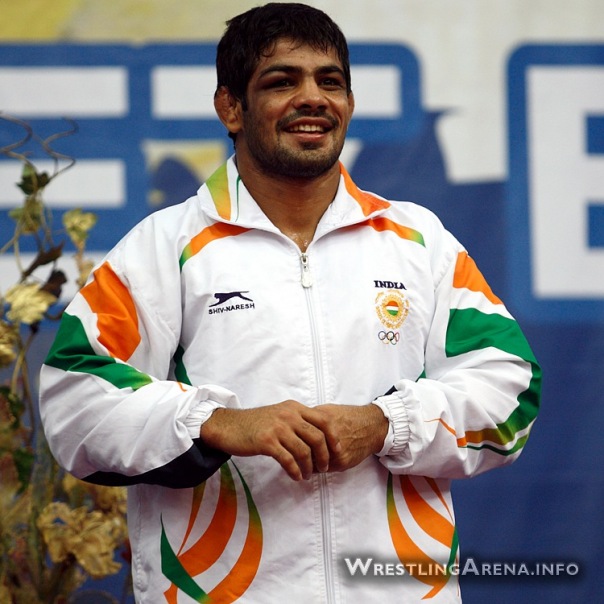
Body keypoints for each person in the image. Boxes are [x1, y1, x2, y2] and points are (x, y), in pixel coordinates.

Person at [39, 3, 541, 602]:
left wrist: (386, 423)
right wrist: (217, 424)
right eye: (282, 81)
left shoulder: (418, 241)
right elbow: (75, 395)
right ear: (230, 107)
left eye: (330, 82)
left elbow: (511, 390)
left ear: (349, 103)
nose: (313, 99)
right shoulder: (163, 247)